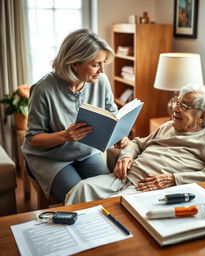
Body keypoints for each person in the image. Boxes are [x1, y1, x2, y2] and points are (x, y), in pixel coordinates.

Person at [65, 83, 205, 205]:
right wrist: (126, 156)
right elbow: (138, 143)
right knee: (81, 190)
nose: (176, 109)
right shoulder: (167, 126)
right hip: (123, 178)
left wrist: (175, 179)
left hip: (149, 189)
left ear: (203, 116)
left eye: (184, 106)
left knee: (114, 208)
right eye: (177, 103)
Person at [22, 29, 129, 202]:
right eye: (96, 64)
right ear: (74, 64)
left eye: (103, 63)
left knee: (107, 193)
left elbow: (113, 115)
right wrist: (65, 135)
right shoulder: (42, 89)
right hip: (50, 156)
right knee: (80, 197)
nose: (102, 70)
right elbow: (33, 138)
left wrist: (120, 134)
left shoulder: (100, 81)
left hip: (86, 152)